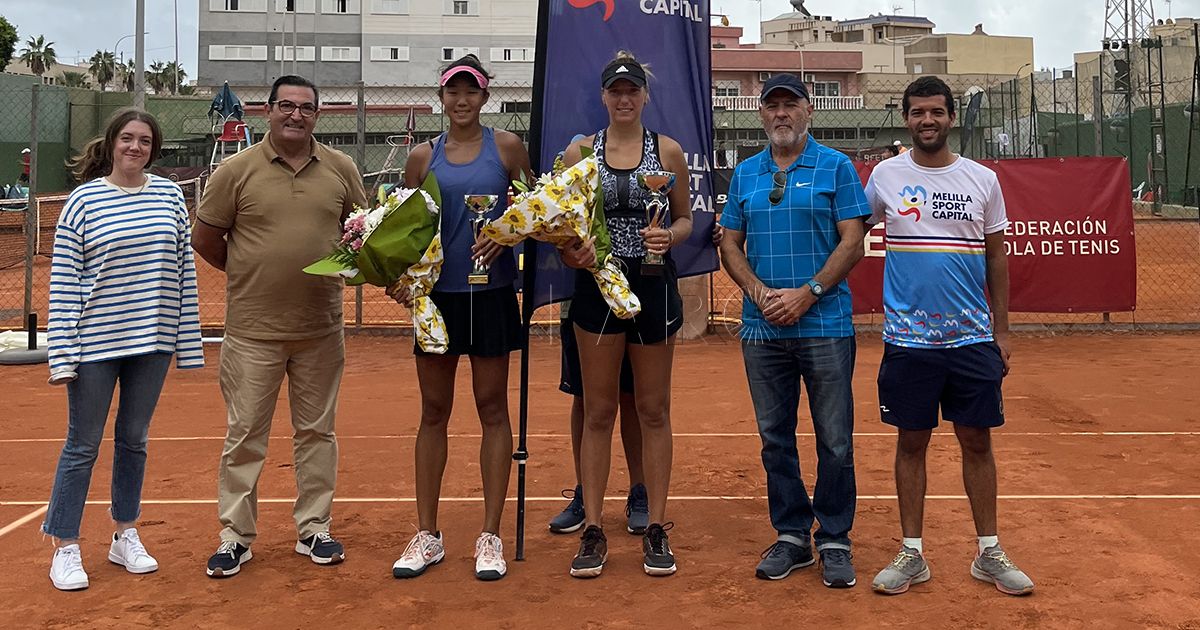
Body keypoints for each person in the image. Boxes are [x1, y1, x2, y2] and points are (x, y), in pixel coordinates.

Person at [192, 75, 368, 578]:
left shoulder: (341, 168)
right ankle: (235, 537)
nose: (295, 115)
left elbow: (361, 233)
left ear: (318, 114)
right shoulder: (236, 170)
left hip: (320, 328)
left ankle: (314, 529)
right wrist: (252, 270)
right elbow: (206, 239)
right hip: (252, 331)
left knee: (317, 432)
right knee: (245, 433)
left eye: (305, 107)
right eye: (285, 106)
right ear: (267, 111)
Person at [865, 76, 1034, 596]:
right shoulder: (884, 177)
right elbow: (848, 233)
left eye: (936, 112)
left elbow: (998, 257)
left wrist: (1001, 329)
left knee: (976, 441)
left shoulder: (982, 180)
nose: (927, 121)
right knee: (910, 441)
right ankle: (912, 553)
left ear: (951, 117)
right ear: (906, 118)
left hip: (971, 340)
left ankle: (989, 552)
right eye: (918, 113)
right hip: (908, 341)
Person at [718, 73, 870, 589]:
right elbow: (730, 245)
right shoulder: (745, 174)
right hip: (763, 329)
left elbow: (852, 242)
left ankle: (833, 538)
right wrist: (761, 295)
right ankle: (791, 536)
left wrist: (808, 293)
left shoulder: (837, 166)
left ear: (809, 111)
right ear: (761, 114)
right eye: (772, 106)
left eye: (791, 104)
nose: (781, 114)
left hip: (824, 324)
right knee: (774, 439)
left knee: (834, 438)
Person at [42, 108, 204, 591]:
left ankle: (124, 533)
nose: (135, 148)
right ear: (112, 143)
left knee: (134, 440)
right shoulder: (83, 201)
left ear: (153, 150)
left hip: (151, 343)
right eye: (128, 139)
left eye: (146, 141)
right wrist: (62, 355)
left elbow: (182, 273)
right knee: (82, 445)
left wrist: (187, 344)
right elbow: (65, 283)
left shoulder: (171, 197)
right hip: (94, 345)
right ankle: (65, 545)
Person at [385, 55, 532, 581]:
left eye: (471, 91)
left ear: (485, 96)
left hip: (492, 296)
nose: (462, 100)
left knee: (493, 409)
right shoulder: (422, 157)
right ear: (441, 98)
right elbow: (406, 230)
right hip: (438, 300)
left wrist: (505, 235)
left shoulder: (508, 148)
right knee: (433, 411)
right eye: (453, 92)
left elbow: (537, 213)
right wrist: (401, 278)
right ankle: (428, 534)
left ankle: (490, 535)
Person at [557, 51, 692, 578]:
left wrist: (668, 236)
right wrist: (575, 249)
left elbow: (684, 221)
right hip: (596, 288)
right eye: (615, 91)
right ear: (603, 97)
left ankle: (655, 527)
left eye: (632, 90)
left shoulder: (670, 152)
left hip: (654, 284)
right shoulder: (580, 153)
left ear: (644, 96)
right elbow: (564, 228)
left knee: (654, 410)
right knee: (597, 411)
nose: (624, 99)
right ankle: (593, 528)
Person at [548, 300, 647, 536]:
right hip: (580, 301)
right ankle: (585, 496)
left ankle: (641, 493)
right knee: (584, 397)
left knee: (632, 394)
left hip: (634, 297)